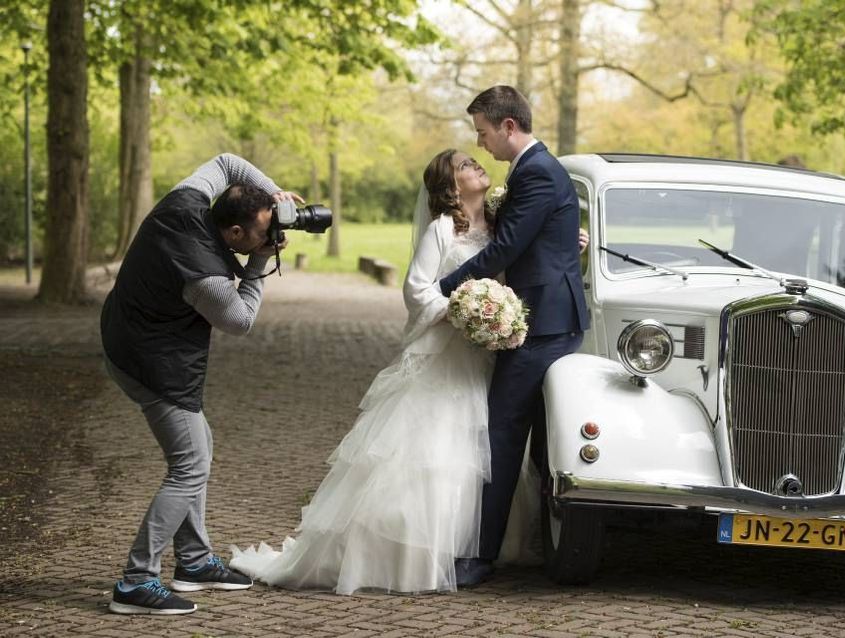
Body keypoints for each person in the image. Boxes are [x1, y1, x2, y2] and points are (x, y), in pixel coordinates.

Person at [230, 148, 510, 593]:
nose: (475, 164)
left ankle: (464, 547)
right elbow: (417, 291)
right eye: (463, 165)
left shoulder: (499, 223)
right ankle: (406, 557)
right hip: (444, 356)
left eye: (474, 160)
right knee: (434, 455)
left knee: (475, 456)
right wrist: (463, 308)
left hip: (482, 358)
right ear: (450, 185)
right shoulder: (441, 230)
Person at [101, 154, 299, 615]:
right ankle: (135, 580)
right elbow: (240, 319)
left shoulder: (186, 199)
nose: (270, 237)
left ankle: (192, 561)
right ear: (234, 235)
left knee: (198, 448)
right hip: (149, 361)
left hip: (130, 337)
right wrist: (257, 264)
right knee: (190, 464)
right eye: (262, 231)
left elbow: (228, 162)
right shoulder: (203, 271)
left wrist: (274, 193)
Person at [437, 86, 589, 587]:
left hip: (542, 323)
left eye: (482, 132)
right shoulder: (534, 170)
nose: (480, 144)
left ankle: (481, 558)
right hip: (547, 317)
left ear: (507, 127)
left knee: (502, 434)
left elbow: (504, 248)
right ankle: (546, 547)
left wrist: (441, 289)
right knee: (539, 439)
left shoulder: (539, 172)